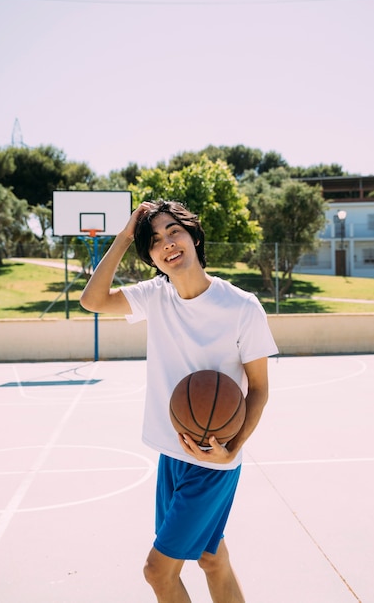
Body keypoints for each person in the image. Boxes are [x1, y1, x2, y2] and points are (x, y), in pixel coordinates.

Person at [80, 199, 278, 603]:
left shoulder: (242, 306)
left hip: (213, 461)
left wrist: (231, 450)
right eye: (154, 241)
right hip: (171, 455)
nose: (167, 243)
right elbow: (93, 300)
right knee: (211, 557)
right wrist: (123, 237)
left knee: (157, 571)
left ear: (194, 236)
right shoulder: (155, 295)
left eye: (174, 232)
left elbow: (258, 389)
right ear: (151, 257)